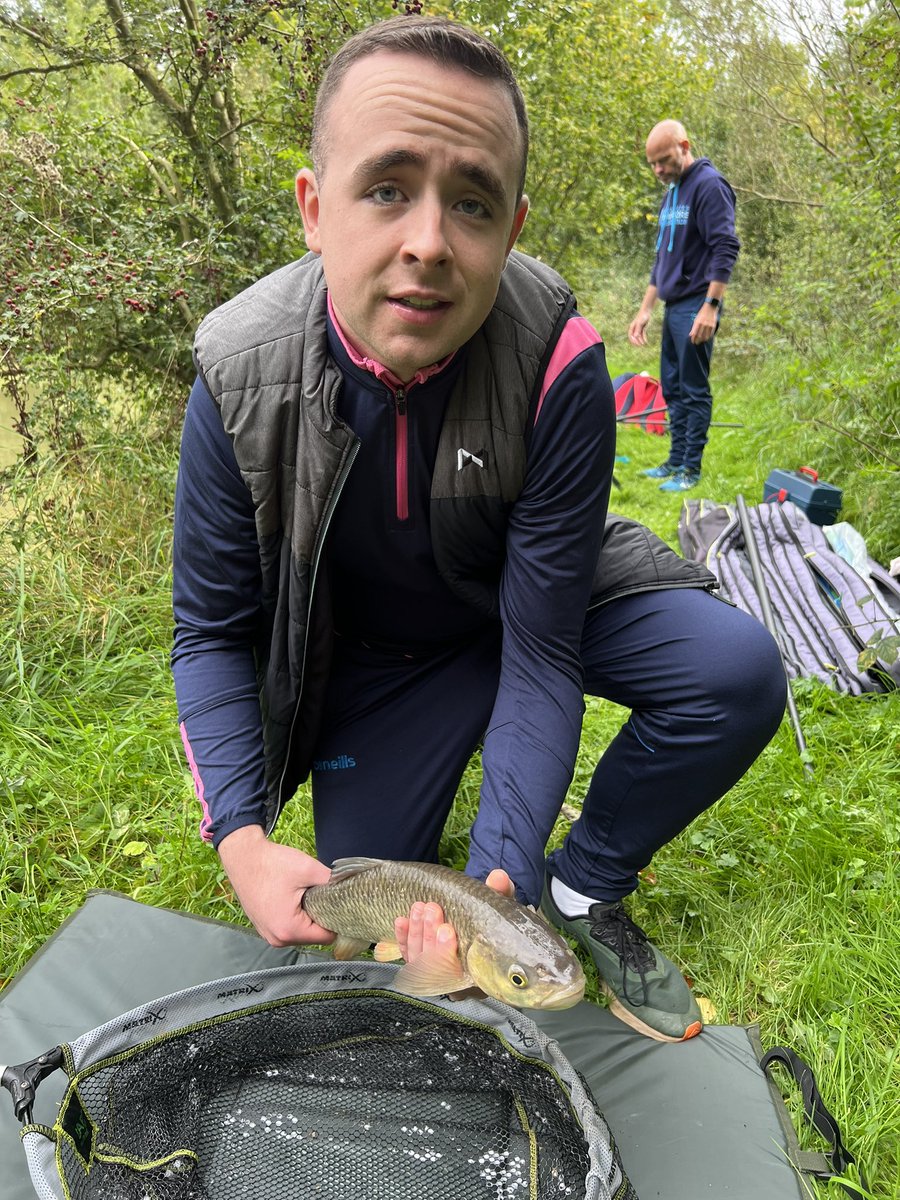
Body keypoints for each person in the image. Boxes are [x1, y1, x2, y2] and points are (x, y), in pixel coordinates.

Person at [172, 17, 786, 1043]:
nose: (427, 241)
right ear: (315, 211)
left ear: (511, 227)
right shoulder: (239, 376)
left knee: (733, 672)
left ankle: (584, 886)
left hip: (534, 608)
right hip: (382, 659)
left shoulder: (561, 357)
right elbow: (210, 634)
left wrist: (503, 895)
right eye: (385, 189)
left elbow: (542, 644)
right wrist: (239, 836)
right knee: (365, 890)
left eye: (472, 204)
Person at [628, 120, 740, 492]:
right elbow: (662, 258)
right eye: (652, 164)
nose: (658, 170)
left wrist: (711, 305)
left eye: (663, 160)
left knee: (693, 387)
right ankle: (674, 460)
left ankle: (690, 469)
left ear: (684, 145)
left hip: (697, 302)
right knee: (673, 386)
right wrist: (645, 309)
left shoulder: (709, 186)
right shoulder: (672, 193)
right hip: (673, 304)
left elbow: (726, 246)